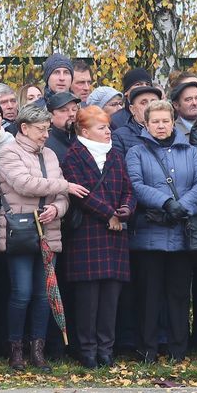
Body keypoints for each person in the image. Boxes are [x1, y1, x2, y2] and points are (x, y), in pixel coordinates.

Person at [126, 98, 197, 365]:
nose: (161, 126)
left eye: (165, 121)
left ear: (173, 122)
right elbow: (136, 184)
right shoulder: (136, 152)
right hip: (149, 235)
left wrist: (182, 206)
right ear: (146, 123)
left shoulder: (190, 151)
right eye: (155, 122)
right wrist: (165, 202)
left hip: (181, 234)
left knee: (178, 295)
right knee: (149, 296)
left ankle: (178, 348)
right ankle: (147, 348)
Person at [0, 102, 74, 371]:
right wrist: (65, 186)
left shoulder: (51, 155)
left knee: (44, 294)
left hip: (48, 230)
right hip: (20, 231)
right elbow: (24, 184)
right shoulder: (9, 153)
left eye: (48, 129)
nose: (45, 134)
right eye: (41, 129)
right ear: (24, 128)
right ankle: (15, 348)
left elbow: (63, 197)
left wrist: (56, 208)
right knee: (21, 293)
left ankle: (37, 350)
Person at [60, 106, 134, 368]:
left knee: (110, 298)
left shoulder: (115, 154)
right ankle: (88, 350)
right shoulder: (73, 156)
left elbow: (128, 187)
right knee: (88, 299)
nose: (108, 132)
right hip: (87, 235)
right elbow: (80, 194)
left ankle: (106, 349)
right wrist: (109, 215)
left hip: (115, 235)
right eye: (101, 128)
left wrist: (124, 211)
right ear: (84, 130)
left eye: (108, 127)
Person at [112, 83, 163, 154]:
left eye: (154, 102)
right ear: (132, 109)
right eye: (143, 103)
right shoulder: (120, 137)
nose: (150, 106)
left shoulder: (171, 132)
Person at [44, 90, 81, 162]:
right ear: (50, 116)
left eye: (74, 109)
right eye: (63, 110)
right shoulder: (44, 143)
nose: (71, 114)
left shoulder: (84, 138)